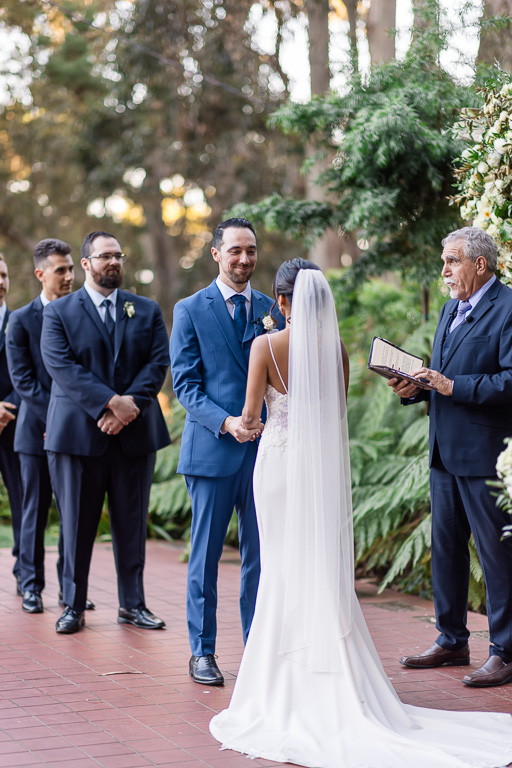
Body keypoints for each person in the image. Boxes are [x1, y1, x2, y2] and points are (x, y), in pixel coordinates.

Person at [209, 258, 512, 768]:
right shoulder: (336, 350)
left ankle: (279, 680)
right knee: (318, 569)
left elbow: (250, 416)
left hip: (279, 470)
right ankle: (336, 674)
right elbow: (332, 414)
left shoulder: (265, 346)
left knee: (279, 568)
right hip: (319, 472)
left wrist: (240, 425)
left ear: (283, 302)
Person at [388, 226, 512, 688]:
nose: (443, 271)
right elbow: (440, 377)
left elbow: (510, 381)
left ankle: (505, 649)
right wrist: (413, 388)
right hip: (442, 451)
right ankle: (451, 639)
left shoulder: (509, 308)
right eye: (443, 261)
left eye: (452, 261)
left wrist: (451, 386)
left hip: (486, 455)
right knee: (446, 550)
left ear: (481, 264)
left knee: (497, 555)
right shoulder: (448, 309)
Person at [170, 217, 283, 686]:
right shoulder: (190, 309)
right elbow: (186, 386)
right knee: (206, 555)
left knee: (260, 556)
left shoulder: (271, 309)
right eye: (235, 250)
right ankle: (202, 652)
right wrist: (227, 421)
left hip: (263, 453)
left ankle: (257, 647)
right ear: (215, 253)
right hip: (213, 451)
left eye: (251, 251)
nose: (244, 259)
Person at [40, 231, 170, 634]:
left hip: (134, 435)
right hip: (79, 437)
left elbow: (157, 362)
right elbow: (62, 367)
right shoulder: (59, 312)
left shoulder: (145, 310)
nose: (113, 262)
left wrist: (128, 407)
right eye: (104, 256)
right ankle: (73, 605)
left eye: (118, 256)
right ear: (86, 264)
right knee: (77, 523)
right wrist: (111, 404)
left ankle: (133, 605)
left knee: (131, 522)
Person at [6, 239, 93, 614]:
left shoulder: (82, 314)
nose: (70, 277)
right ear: (41, 274)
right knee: (34, 511)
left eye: (72, 269)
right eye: (61, 270)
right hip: (34, 432)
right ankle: (30, 585)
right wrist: (52, 419)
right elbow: (23, 381)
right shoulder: (20, 320)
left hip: (75, 434)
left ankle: (70, 589)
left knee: (72, 513)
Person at [0, 255, 23, 594]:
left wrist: (9, 407)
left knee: (24, 500)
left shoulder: (20, 322)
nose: (0, 281)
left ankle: (25, 572)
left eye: (3, 274)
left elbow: (31, 371)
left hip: (15, 424)